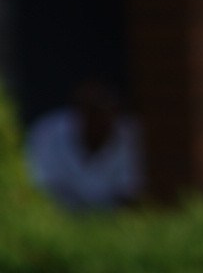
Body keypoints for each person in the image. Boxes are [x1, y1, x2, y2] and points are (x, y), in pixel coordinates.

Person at [26, 79, 143, 210]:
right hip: (57, 219)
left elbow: (132, 194)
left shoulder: (130, 133)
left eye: (105, 110)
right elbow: (38, 191)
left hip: (113, 223)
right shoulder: (47, 131)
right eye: (92, 110)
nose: (99, 118)